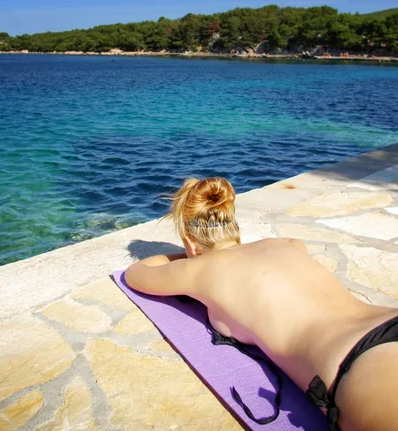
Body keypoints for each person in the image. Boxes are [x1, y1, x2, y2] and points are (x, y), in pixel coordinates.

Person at [125, 177, 398, 431]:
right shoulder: (284, 244)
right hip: (386, 321)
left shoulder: (200, 268)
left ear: (191, 244)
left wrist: (195, 258)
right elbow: (293, 245)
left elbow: (137, 274)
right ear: (236, 230)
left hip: (358, 359)